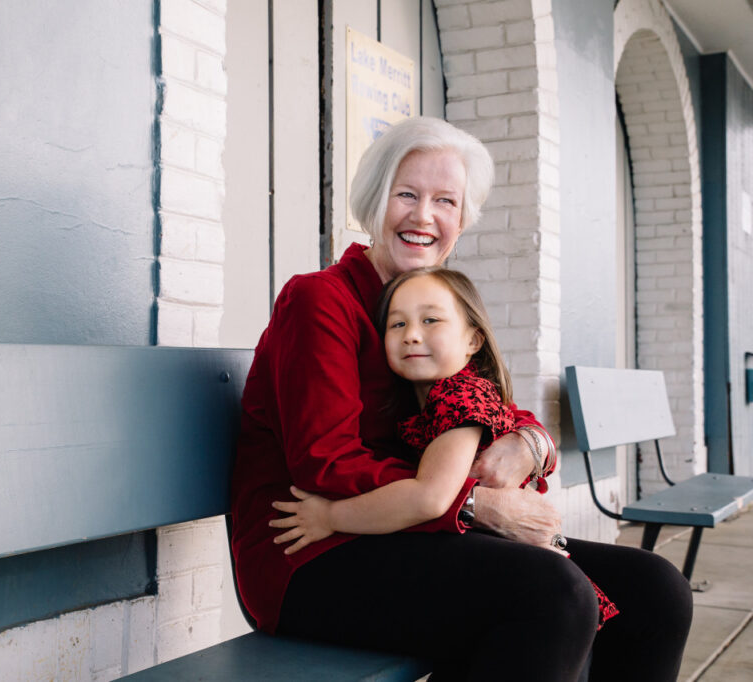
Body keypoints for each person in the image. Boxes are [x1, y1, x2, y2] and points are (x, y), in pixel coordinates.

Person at [229, 116, 692, 680]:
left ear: (462, 219)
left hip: (408, 532)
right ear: (374, 200)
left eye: (445, 201)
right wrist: (472, 503)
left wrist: (529, 442)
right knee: (553, 595)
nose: (424, 216)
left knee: (655, 589)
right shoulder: (320, 301)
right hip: (313, 550)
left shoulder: (430, 304)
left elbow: (486, 403)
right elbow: (325, 462)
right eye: (407, 194)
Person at [267, 266, 617, 628]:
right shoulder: (433, 397)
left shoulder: (458, 398)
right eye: (396, 324)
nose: (412, 336)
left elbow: (429, 498)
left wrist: (329, 517)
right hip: (497, 558)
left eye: (431, 320)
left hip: (522, 557)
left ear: (473, 341)